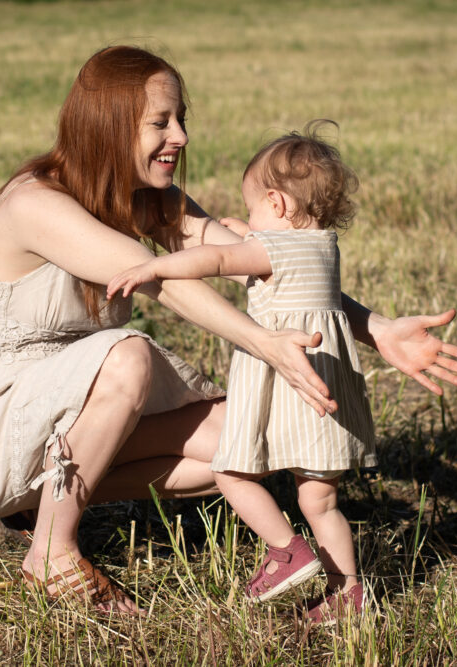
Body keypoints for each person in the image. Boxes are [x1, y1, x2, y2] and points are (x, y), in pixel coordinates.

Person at [0, 46, 457, 615]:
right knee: (128, 356)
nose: (182, 137)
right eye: (160, 122)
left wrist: (376, 328)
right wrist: (261, 342)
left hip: (51, 422)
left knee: (237, 439)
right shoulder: (35, 205)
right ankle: (50, 554)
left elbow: (253, 258)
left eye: (181, 118)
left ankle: (36, 506)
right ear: (109, 126)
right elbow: (164, 284)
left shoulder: (143, 199)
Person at [108, 121, 384, 623]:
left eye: (256, 208)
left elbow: (217, 259)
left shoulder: (268, 250)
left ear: (277, 205)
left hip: (287, 386)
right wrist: (247, 231)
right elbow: (261, 251)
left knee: (230, 470)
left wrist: (155, 268)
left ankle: (285, 552)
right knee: (320, 501)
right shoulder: (322, 246)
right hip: (324, 393)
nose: (251, 220)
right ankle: (348, 592)